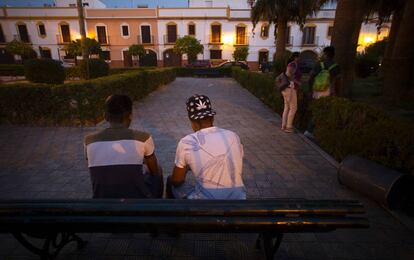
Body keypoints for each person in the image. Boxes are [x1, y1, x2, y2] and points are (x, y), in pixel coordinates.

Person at [167, 94, 246, 199]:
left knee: (170, 181)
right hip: (238, 199)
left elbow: (177, 181)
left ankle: (172, 213)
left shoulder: (186, 142)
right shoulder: (233, 136)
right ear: (212, 118)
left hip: (205, 205)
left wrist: (186, 169)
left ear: (192, 122)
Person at [84, 95, 163, 198]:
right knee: (158, 170)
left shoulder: (89, 141)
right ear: (130, 116)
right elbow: (154, 171)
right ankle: (155, 206)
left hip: (102, 200)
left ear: (105, 116)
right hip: (136, 201)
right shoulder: (144, 138)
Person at [304, 46, 341, 138]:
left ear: (325, 54)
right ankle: (311, 130)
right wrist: (337, 93)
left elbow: (310, 78)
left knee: (316, 110)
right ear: (333, 55)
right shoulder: (336, 66)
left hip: (317, 91)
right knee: (324, 111)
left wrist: (310, 90)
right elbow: (337, 81)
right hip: (328, 91)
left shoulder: (319, 65)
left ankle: (311, 130)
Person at [281, 52, 301, 133]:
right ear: (295, 57)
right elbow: (289, 75)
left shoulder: (292, 64)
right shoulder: (293, 64)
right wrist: (298, 82)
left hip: (287, 89)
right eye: (299, 57)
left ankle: (284, 125)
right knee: (293, 108)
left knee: (287, 107)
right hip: (290, 88)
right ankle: (289, 127)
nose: (300, 59)